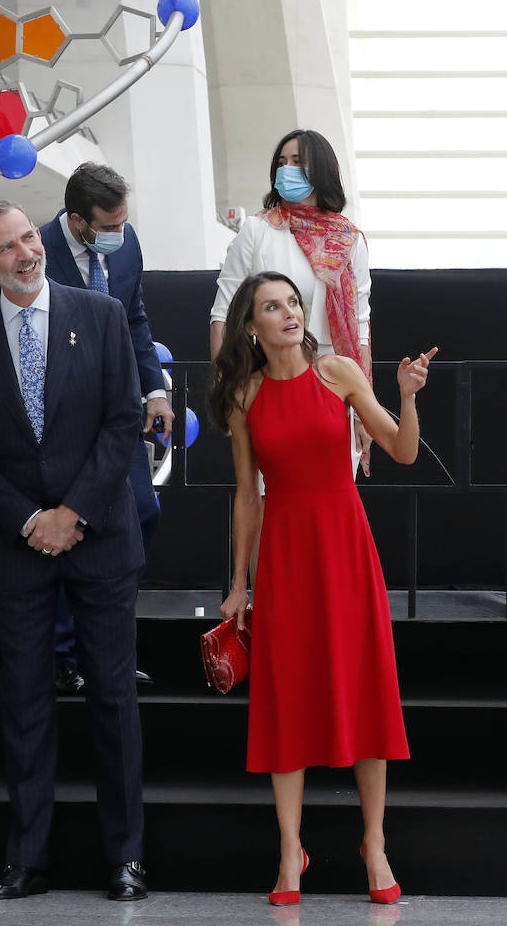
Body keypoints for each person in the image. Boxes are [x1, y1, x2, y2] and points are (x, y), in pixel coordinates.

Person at [0, 201, 147, 902]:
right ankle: (27, 858)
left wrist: (72, 512)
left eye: (29, 238)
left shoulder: (101, 314)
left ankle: (125, 858)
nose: (26, 254)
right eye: (6, 248)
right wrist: (31, 520)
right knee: (24, 703)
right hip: (22, 548)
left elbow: (123, 425)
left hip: (101, 538)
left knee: (113, 699)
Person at [210, 272, 435, 907]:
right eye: (271, 306)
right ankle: (290, 849)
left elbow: (402, 450)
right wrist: (238, 585)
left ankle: (374, 842)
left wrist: (407, 395)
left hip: (345, 545)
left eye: (293, 303)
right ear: (251, 325)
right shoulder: (244, 395)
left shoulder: (338, 372)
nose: (288, 313)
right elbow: (246, 496)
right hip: (285, 554)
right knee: (287, 695)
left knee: (364, 687)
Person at [38, 162, 170, 695]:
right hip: (57, 423)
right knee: (70, 533)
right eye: (108, 225)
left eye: (123, 222)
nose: (120, 233)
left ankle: (104, 646)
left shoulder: (127, 242)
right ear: (76, 221)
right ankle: (64, 654)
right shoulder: (36, 250)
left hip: (118, 417)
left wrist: (155, 389)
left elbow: (134, 316)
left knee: (140, 515)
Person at [210, 128, 373, 473]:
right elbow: (223, 315)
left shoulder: (349, 240)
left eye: (298, 162)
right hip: (269, 385)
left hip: (333, 388)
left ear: (322, 170)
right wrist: (229, 392)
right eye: (282, 162)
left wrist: (364, 411)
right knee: (272, 501)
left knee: (330, 500)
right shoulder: (257, 231)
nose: (287, 169)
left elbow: (360, 330)